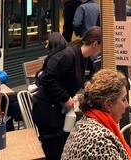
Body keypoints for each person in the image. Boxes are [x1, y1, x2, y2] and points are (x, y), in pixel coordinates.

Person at [33, 27, 102, 160]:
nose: (101, 51)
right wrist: (65, 97)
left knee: (66, 150)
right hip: (47, 109)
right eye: (101, 46)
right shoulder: (68, 55)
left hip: (62, 111)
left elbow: (91, 83)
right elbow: (46, 78)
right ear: (95, 44)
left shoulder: (88, 62)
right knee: (55, 153)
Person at [61, 69, 131, 160]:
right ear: (108, 104)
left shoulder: (84, 122)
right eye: (123, 99)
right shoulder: (101, 139)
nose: (127, 105)